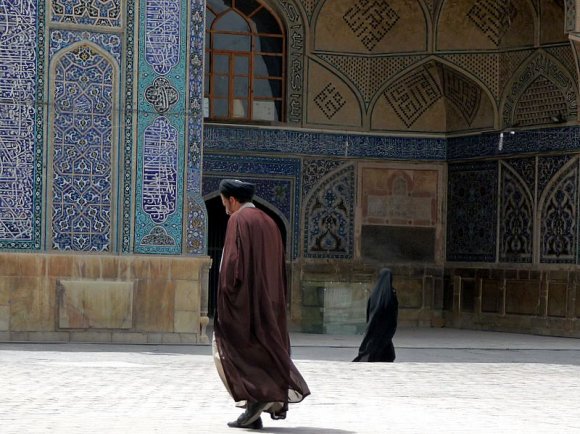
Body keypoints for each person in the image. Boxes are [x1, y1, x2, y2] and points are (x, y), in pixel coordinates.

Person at [213, 179, 310, 430]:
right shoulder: (270, 222)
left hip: (245, 301)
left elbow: (233, 263)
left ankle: (255, 403)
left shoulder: (238, 220)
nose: (224, 208)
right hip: (269, 300)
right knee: (261, 351)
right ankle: (253, 411)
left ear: (232, 200)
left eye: (224, 202)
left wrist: (227, 296)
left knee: (235, 352)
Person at [353, 268, 399, 362]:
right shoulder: (390, 294)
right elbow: (392, 311)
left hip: (374, 323)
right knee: (381, 343)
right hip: (385, 326)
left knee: (376, 343)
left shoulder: (375, 293)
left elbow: (370, 308)